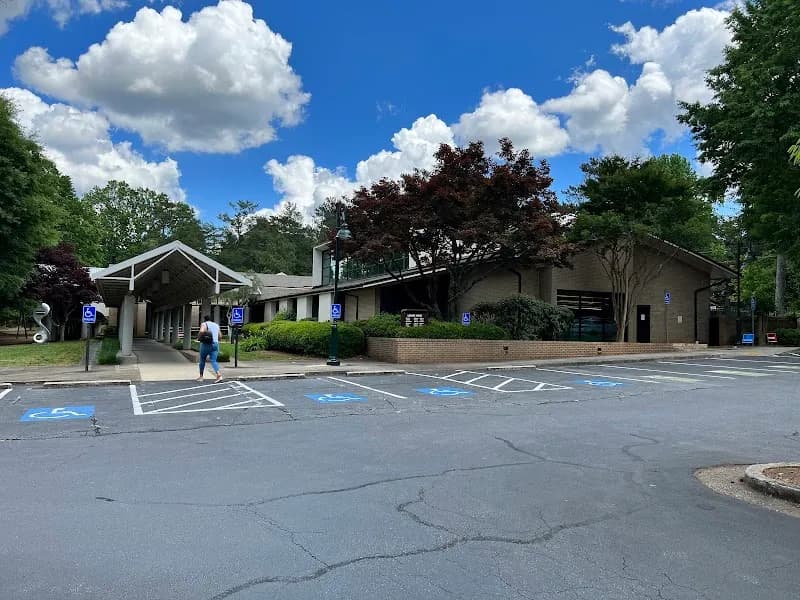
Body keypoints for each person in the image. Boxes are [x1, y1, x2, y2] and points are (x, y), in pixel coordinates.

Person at [196, 315, 222, 383]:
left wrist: (199, 337)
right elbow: (220, 336)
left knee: (202, 359)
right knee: (213, 360)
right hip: (215, 344)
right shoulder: (216, 325)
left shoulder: (204, 324)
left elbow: (201, 331)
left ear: (205, 320)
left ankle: (201, 377)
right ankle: (219, 375)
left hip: (206, 344)